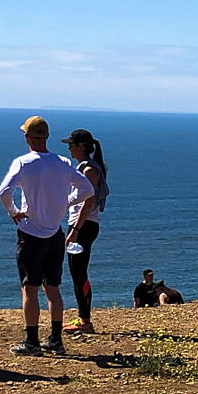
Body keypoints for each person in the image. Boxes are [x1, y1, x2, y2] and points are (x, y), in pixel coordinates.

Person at [0, 115, 93, 357]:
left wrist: (14, 212)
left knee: (29, 288)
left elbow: (4, 191)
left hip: (30, 233)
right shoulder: (62, 162)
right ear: (46, 137)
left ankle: (31, 342)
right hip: (55, 233)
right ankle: (56, 340)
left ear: (27, 137)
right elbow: (87, 190)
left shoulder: (23, 163)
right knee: (53, 287)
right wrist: (64, 202)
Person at [63, 128, 109, 336]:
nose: (69, 149)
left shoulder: (89, 170)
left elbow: (88, 201)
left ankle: (85, 320)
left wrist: (74, 229)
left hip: (83, 226)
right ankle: (83, 317)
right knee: (77, 272)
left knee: (79, 272)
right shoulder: (87, 167)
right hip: (85, 225)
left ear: (81, 147)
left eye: (71, 145)